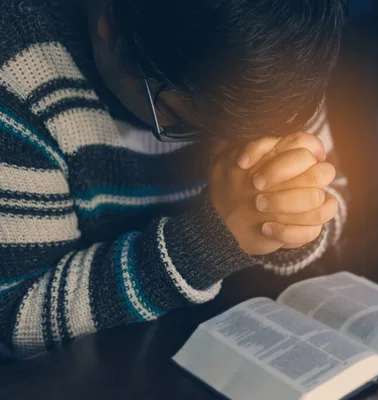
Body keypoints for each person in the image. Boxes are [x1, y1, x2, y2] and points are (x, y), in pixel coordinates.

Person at [0, 0, 348, 358]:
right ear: (112, 23)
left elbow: (336, 196)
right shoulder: (15, 66)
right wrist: (207, 244)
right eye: (183, 122)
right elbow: (14, 319)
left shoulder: (285, 53)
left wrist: (288, 224)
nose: (227, 145)